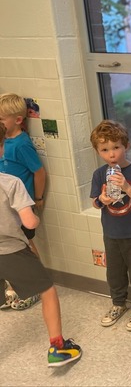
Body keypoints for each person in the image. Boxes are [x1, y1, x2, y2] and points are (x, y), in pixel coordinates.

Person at [0, 122, 82, 367]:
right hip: (10, 251)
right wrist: (32, 215)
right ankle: (58, 349)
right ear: (1, 147)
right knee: (47, 290)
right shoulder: (10, 183)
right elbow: (30, 222)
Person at [90, 120, 131, 332]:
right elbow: (95, 202)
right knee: (114, 272)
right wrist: (103, 199)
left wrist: (126, 186)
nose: (111, 154)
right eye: (105, 149)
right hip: (111, 232)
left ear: (126, 146)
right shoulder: (99, 174)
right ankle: (118, 303)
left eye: (116, 147)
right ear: (98, 151)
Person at [0, 92, 47, 310]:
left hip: (21, 208)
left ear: (18, 120)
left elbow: (39, 172)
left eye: (1, 119)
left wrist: (37, 198)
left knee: (26, 246)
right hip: (6, 209)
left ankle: (35, 287)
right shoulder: (3, 142)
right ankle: (14, 288)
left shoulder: (21, 144)